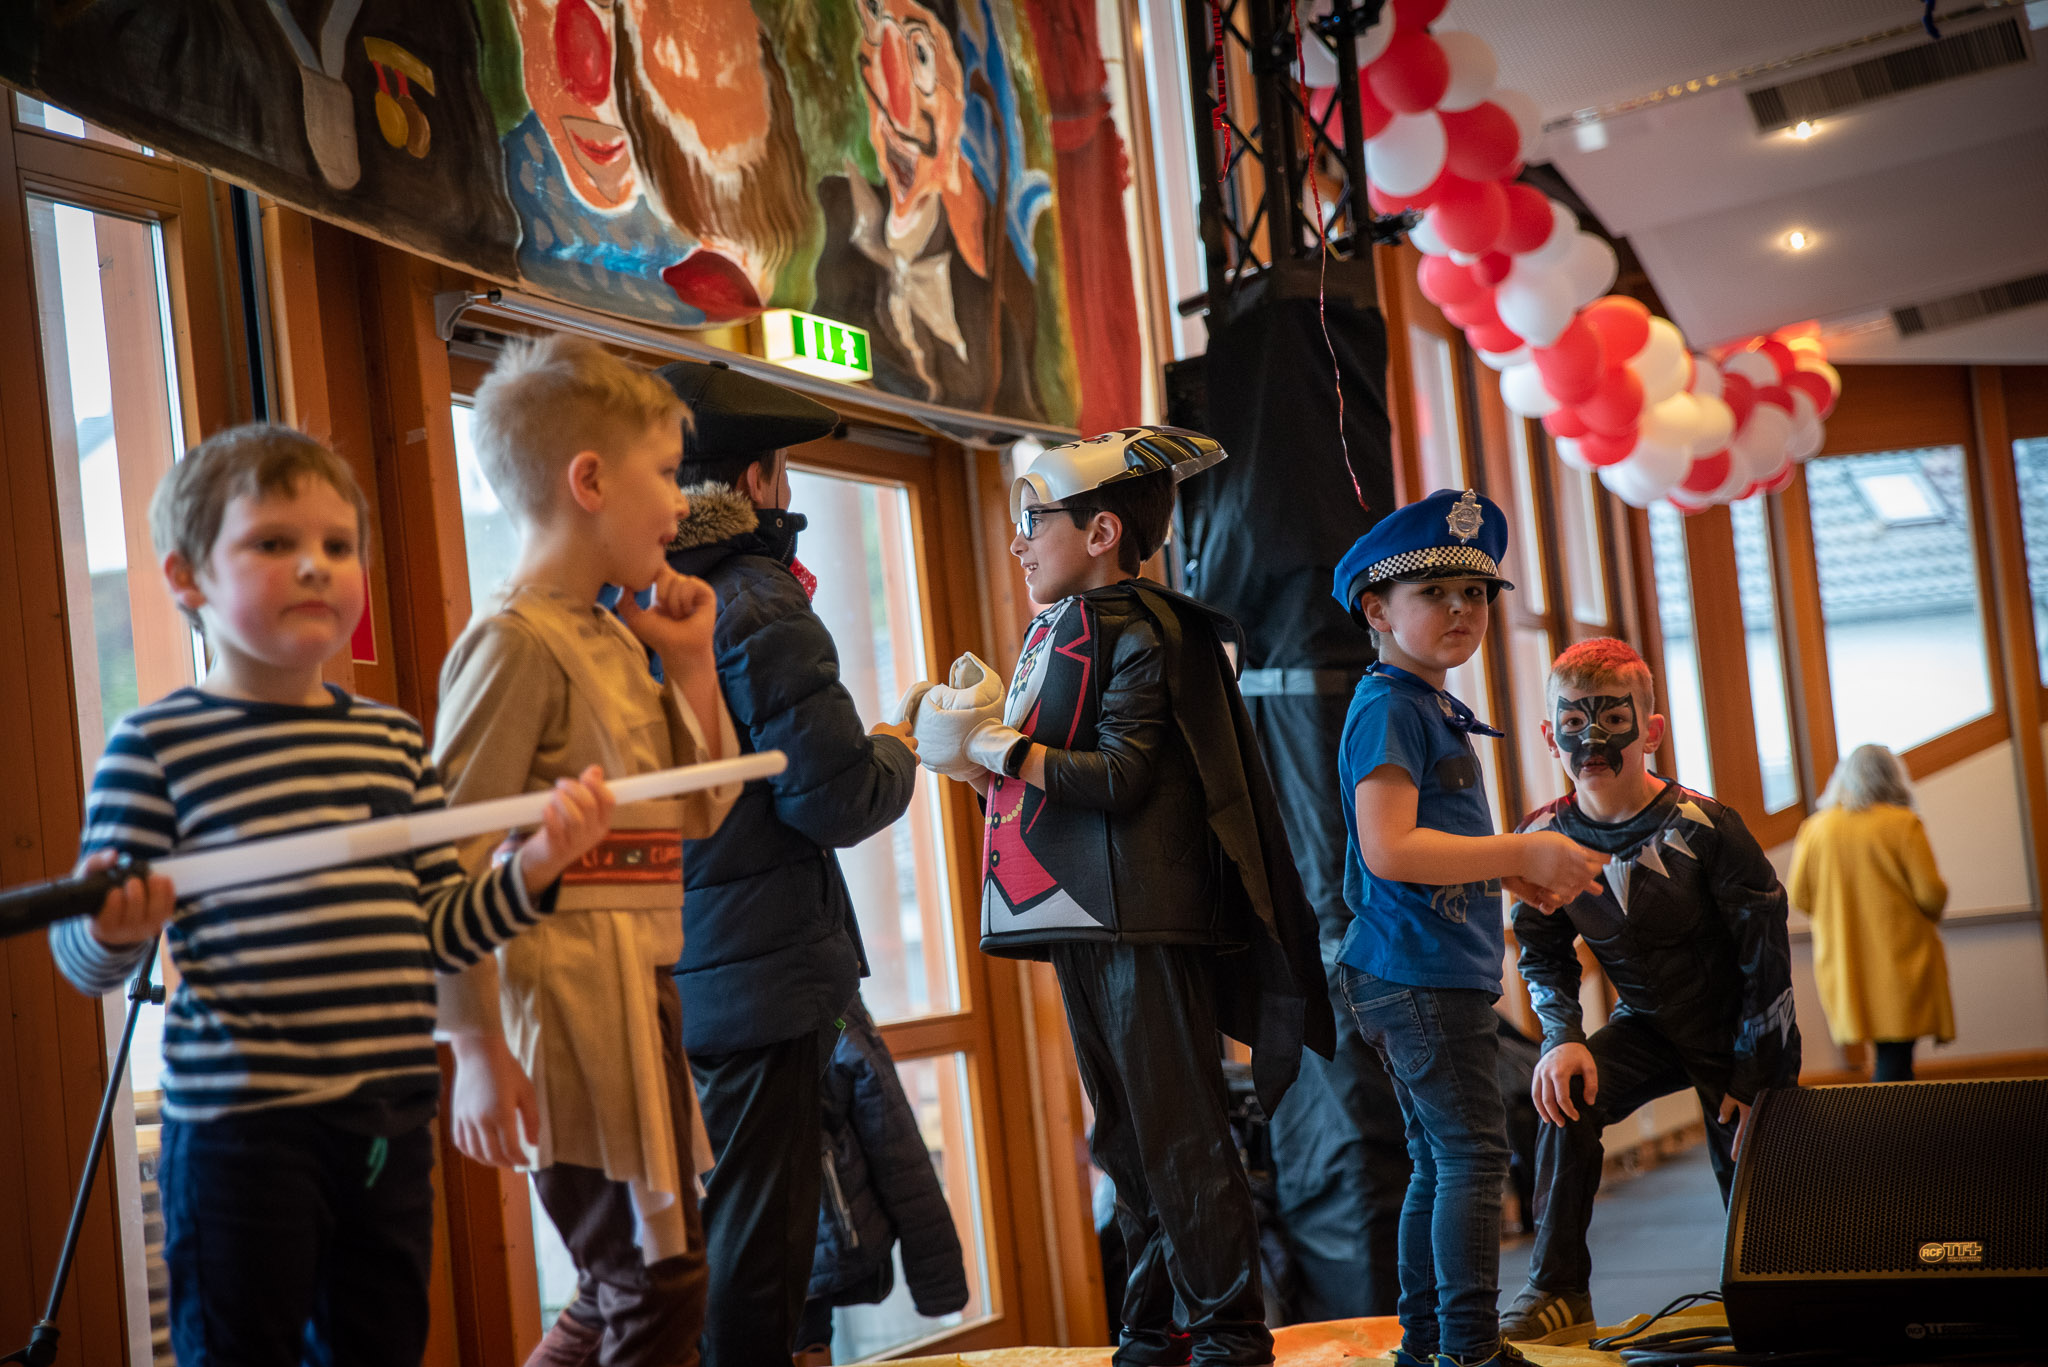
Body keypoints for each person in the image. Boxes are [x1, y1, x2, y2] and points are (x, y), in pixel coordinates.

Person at [49, 423, 615, 1365]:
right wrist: (109, 930)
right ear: (187, 579)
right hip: (240, 1132)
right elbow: (85, 959)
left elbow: (440, 930)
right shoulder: (154, 745)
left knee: (381, 1344)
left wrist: (534, 868)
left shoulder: (390, 742)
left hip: (387, 1117)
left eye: (338, 545)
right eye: (274, 543)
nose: (315, 565)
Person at [906, 425, 1333, 1365]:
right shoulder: (1055, 631)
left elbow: (1119, 777)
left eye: (1034, 521)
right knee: (1127, 1136)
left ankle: (1227, 1326)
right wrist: (975, 762)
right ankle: (1154, 1321)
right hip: (1081, 911)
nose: (1018, 542)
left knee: (1180, 1130)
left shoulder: (1145, 630)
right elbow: (1045, 785)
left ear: (1102, 531)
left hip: (1141, 914)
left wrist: (994, 747)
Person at [432, 335, 743, 1367]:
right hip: (567, 1000)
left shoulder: (612, 633)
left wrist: (691, 663)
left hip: (639, 984)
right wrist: (475, 1048)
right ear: (590, 480)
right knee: (655, 1283)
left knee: (631, 1285)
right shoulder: (512, 640)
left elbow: (697, 812)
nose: (681, 504)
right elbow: (442, 863)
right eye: (667, 473)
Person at [655, 358, 922, 1366]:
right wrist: (900, 747)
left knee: (729, 1238)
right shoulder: (756, 595)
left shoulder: (632, 594)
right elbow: (834, 795)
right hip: (764, 974)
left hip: (684, 967)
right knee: (762, 1254)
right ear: (756, 479)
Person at [1329, 488, 1606, 1367]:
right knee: (1474, 1156)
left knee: (1438, 1158)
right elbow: (1390, 849)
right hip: (1415, 969)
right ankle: (1472, 1351)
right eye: (1434, 592)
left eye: (1476, 593)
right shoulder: (1391, 707)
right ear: (1376, 610)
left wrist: (1515, 869)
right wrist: (1522, 852)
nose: (1461, 609)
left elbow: (1425, 847)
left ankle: (1430, 1347)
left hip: (1421, 967)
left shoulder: (1422, 704)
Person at [1500, 637, 1803, 1343]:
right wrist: (1561, 1038)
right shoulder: (1542, 837)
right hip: (1646, 1025)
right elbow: (1541, 952)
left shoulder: (1707, 827)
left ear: (1652, 730)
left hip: (1738, 1028)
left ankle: (1775, 1288)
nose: (1591, 741)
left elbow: (1764, 954)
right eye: (1572, 723)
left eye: (1613, 720)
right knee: (1564, 1098)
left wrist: (1756, 1075)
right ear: (1548, 735)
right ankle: (1556, 1287)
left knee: (1757, 1195)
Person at [796, 994, 969, 1357]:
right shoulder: (816, 981)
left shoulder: (817, 985)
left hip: (761, 1246)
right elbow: (890, 1129)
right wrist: (939, 1282)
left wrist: (939, 1282)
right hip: (810, 1237)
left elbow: (887, 1122)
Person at [1790, 744, 1950, 1083]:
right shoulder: (1903, 824)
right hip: (1900, 962)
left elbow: (1800, 897)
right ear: (1893, 778)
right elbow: (1931, 896)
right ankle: (1893, 1120)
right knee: (1896, 1061)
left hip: (1845, 963)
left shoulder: (1816, 829)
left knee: (1887, 1060)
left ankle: (1891, 1117)